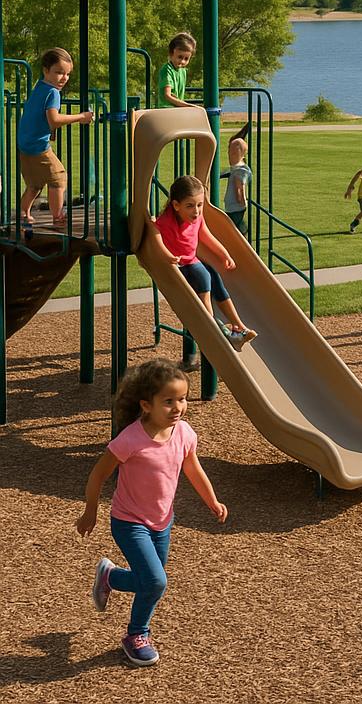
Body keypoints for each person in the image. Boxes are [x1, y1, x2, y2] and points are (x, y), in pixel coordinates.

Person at [76, 359, 228, 667]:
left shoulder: (184, 433)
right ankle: (136, 635)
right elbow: (97, 475)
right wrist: (90, 511)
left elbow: (192, 468)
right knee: (156, 582)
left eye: (182, 399)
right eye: (168, 401)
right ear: (146, 405)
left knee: (149, 581)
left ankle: (110, 576)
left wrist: (211, 500)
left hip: (162, 521)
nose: (178, 407)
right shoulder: (130, 440)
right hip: (129, 521)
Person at [153, 174, 256, 361]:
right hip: (178, 268)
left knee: (215, 277)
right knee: (203, 277)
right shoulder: (166, 222)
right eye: (190, 206)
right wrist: (167, 256)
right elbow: (155, 235)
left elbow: (207, 236)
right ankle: (213, 327)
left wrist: (224, 254)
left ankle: (238, 326)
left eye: (199, 205)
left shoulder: (197, 219)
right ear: (176, 205)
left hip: (191, 262)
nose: (196, 211)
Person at [17, 47, 93, 230]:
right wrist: (81, 117)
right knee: (58, 178)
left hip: (24, 144)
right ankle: (58, 217)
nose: (64, 78)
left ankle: (23, 214)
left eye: (67, 74)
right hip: (38, 146)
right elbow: (54, 119)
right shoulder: (53, 93)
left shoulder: (39, 87)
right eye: (59, 72)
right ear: (46, 70)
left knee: (34, 185)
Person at [157, 32, 196, 108]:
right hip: (167, 109)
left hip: (177, 109)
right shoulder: (167, 69)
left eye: (186, 59)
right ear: (171, 53)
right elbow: (167, 96)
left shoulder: (183, 71)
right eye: (180, 57)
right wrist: (188, 105)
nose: (182, 61)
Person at [223, 137, 251, 235]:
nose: (230, 156)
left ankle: (243, 234)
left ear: (241, 155)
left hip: (236, 206)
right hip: (232, 206)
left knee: (234, 228)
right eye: (229, 153)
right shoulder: (235, 169)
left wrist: (242, 200)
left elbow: (240, 188)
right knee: (234, 225)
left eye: (233, 154)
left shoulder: (241, 170)